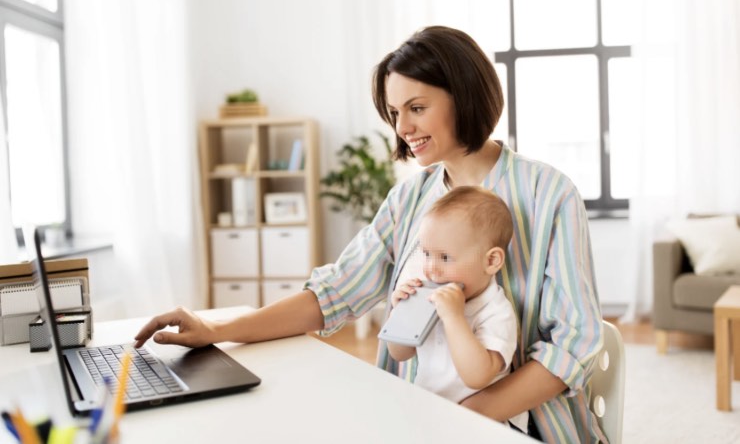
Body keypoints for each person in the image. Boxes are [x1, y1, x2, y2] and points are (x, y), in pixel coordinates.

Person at [135, 25, 606, 442]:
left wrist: (461, 422)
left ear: (463, 95)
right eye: (394, 112)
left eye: (416, 107)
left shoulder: (549, 194)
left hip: (520, 428)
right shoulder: (408, 200)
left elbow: (573, 346)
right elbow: (334, 293)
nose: (402, 128)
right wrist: (217, 328)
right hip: (421, 419)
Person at [386, 186, 528, 432]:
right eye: (427, 254)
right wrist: (400, 314)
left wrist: (454, 317)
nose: (431, 269)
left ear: (491, 261)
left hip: (483, 425)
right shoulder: (432, 296)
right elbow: (400, 353)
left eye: (444, 258)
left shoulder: (496, 312)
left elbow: (477, 376)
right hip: (429, 413)